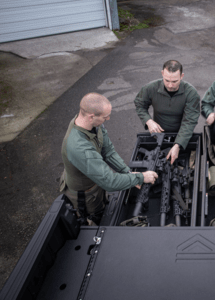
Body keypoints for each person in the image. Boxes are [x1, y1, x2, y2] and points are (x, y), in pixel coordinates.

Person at [60, 93, 158, 225]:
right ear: (91, 117)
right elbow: (109, 182)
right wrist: (141, 177)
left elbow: (108, 151)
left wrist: (127, 172)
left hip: (96, 182)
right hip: (87, 194)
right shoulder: (78, 147)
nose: (108, 119)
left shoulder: (92, 124)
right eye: (105, 117)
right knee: (96, 217)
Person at [134, 60, 200, 164]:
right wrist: (148, 120)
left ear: (182, 76)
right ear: (162, 74)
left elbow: (190, 121)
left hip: (181, 134)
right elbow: (139, 104)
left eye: (174, 81)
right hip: (158, 134)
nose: (170, 85)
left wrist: (178, 144)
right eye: (167, 80)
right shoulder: (150, 88)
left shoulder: (191, 93)